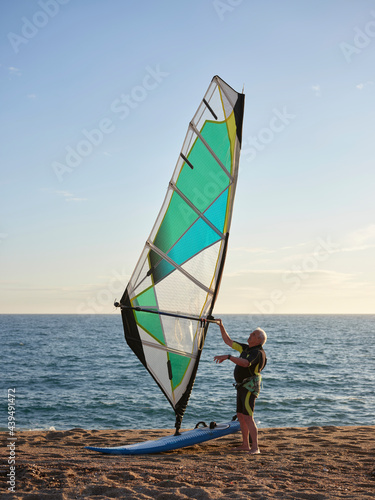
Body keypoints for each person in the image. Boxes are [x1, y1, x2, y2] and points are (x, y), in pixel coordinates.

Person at [213, 319, 267, 454]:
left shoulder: (258, 352)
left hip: (250, 387)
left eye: (253, 334)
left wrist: (228, 357)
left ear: (259, 340)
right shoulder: (246, 348)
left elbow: (245, 363)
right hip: (241, 386)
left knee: (248, 416)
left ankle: (255, 447)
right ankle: (245, 445)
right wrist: (221, 326)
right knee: (241, 415)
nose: (250, 334)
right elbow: (229, 341)